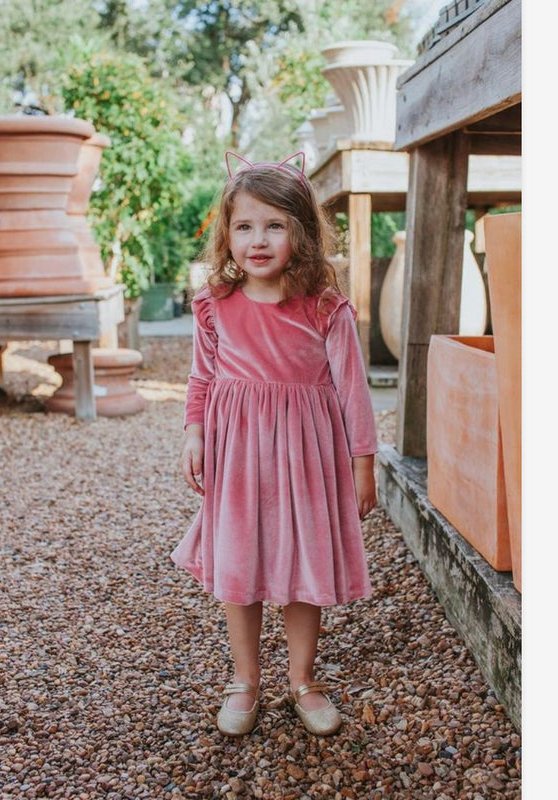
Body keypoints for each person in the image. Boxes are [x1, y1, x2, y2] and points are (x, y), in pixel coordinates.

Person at [171, 152, 378, 737]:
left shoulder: (324, 307)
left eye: (275, 225)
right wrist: (194, 433)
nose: (257, 240)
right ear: (226, 234)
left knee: (300, 562)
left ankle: (303, 680)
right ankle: (246, 679)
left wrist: (364, 464)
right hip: (237, 458)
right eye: (244, 226)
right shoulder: (215, 304)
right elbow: (201, 378)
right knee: (240, 561)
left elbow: (353, 391)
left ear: (302, 233)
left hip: (307, 459)